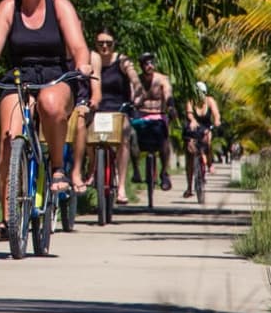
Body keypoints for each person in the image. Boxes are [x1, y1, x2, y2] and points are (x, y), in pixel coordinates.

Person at [0, 0, 93, 241]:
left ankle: (58, 169)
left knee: (51, 104)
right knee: (8, 138)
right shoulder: (7, 8)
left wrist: (83, 64)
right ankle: (7, 219)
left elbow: (78, 46)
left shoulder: (59, 6)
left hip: (57, 75)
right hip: (19, 76)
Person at [89, 28, 141, 204]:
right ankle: (92, 170)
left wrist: (138, 88)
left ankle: (121, 188)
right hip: (97, 108)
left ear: (114, 44)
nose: (104, 46)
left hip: (119, 108)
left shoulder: (122, 61)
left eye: (108, 43)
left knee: (124, 138)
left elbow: (133, 76)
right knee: (84, 135)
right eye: (100, 43)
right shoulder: (92, 60)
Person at [133, 52, 176, 191]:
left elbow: (168, 94)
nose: (149, 66)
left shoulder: (162, 79)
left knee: (164, 141)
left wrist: (170, 107)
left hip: (158, 116)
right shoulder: (136, 81)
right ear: (141, 66)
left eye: (151, 62)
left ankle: (164, 173)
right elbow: (131, 98)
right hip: (141, 117)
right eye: (146, 63)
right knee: (130, 137)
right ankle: (136, 171)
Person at [184, 80, 222, 197]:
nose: (199, 95)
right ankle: (189, 187)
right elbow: (189, 113)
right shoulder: (191, 100)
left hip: (205, 128)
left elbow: (216, 113)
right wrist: (192, 120)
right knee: (190, 154)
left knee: (208, 140)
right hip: (193, 128)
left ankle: (210, 164)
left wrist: (217, 121)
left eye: (202, 93)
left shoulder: (210, 101)